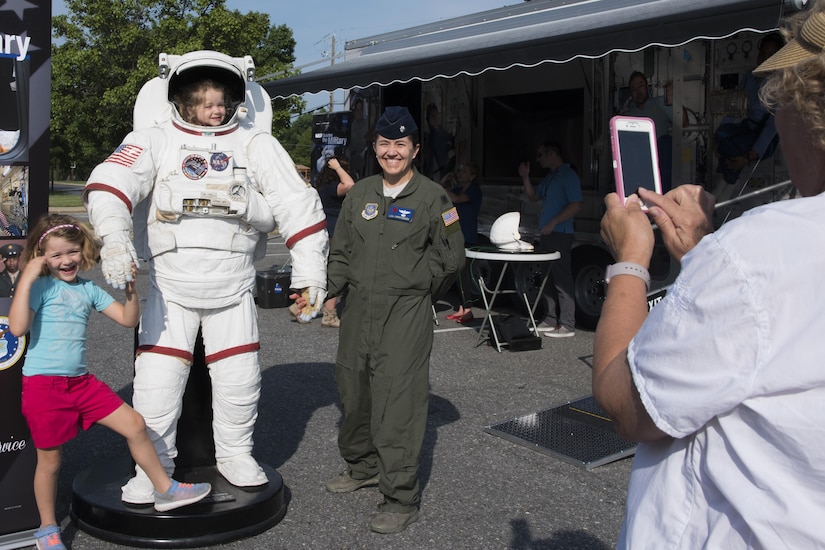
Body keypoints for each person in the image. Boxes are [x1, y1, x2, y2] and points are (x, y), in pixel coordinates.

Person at [593, 3, 825, 547]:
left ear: (806, 104)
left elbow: (622, 399)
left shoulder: (757, 251)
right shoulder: (750, 259)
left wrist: (630, 259)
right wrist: (701, 254)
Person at [83, 51, 328, 504]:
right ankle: (152, 467)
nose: (216, 110)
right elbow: (109, 184)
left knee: (240, 378)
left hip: (233, 285)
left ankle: (235, 453)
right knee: (156, 383)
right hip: (170, 286)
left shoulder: (255, 144)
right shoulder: (154, 139)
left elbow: (300, 206)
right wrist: (115, 240)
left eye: (222, 101)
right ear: (182, 101)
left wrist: (311, 272)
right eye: (205, 102)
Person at [10, 214, 211, 550]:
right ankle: (46, 528)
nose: (66, 260)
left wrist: (132, 289)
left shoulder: (88, 289)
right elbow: (17, 328)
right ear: (41, 256)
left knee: (134, 424)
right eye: (56, 255)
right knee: (50, 462)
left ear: (83, 249)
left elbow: (127, 319)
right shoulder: (41, 286)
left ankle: (166, 488)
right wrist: (27, 279)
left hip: (82, 383)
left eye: (72, 251)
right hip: (44, 386)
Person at [320, 106, 465, 534]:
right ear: (376, 148)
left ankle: (401, 498)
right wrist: (330, 292)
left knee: (397, 403)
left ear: (415, 149)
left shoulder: (433, 197)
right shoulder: (360, 193)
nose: (392, 152)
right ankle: (362, 465)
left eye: (400, 144)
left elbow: (452, 258)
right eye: (385, 144)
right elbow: (341, 250)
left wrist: (418, 291)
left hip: (405, 313)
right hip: (358, 310)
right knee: (355, 389)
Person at [518, 141, 582, 337]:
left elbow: (576, 204)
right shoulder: (551, 177)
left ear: (552, 153)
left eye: (541, 155)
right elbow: (533, 197)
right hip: (546, 234)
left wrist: (554, 222)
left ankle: (567, 323)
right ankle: (550, 318)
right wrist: (525, 177)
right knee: (545, 276)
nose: (539, 159)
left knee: (561, 277)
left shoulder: (568, 175)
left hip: (560, 233)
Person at [290, 156, 356, 327]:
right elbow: (350, 185)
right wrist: (338, 167)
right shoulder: (333, 187)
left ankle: (302, 305)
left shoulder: (323, 187)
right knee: (334, 273)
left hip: (325, 232)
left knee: (325, 272)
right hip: (333, 234)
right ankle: (329, 315)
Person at [714, 32, 785, 185]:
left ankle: (728, 177)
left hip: (767, 136)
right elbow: (734, 108)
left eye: (771, 54)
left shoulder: (780, 85)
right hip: (748, 126)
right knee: (721, 135)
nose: (765, 58)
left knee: (734, 147)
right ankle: (725, 171)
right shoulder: (749, 76)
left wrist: (749, 157)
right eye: (763, 53)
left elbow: (771, 128)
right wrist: (716, 140)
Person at [441, 162, 483, 323]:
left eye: (464, 171)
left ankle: (468, 309)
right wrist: (445, 180)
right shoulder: (457, 189)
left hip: (468, 235)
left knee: (465, 273)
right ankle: (461, 308)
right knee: (456, 273)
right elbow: (439, 194)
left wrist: (444, 188)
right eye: (459, 171)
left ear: (472, 176)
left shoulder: (474, 191)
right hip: (454, 232)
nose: (460, 174)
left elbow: (457, 199)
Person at [423, 103, 454, 182]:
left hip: (443, 168)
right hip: (433, 170)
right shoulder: (427, 135)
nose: (435, 118)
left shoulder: (444, 133)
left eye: (436, 115)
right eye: (432, 116)